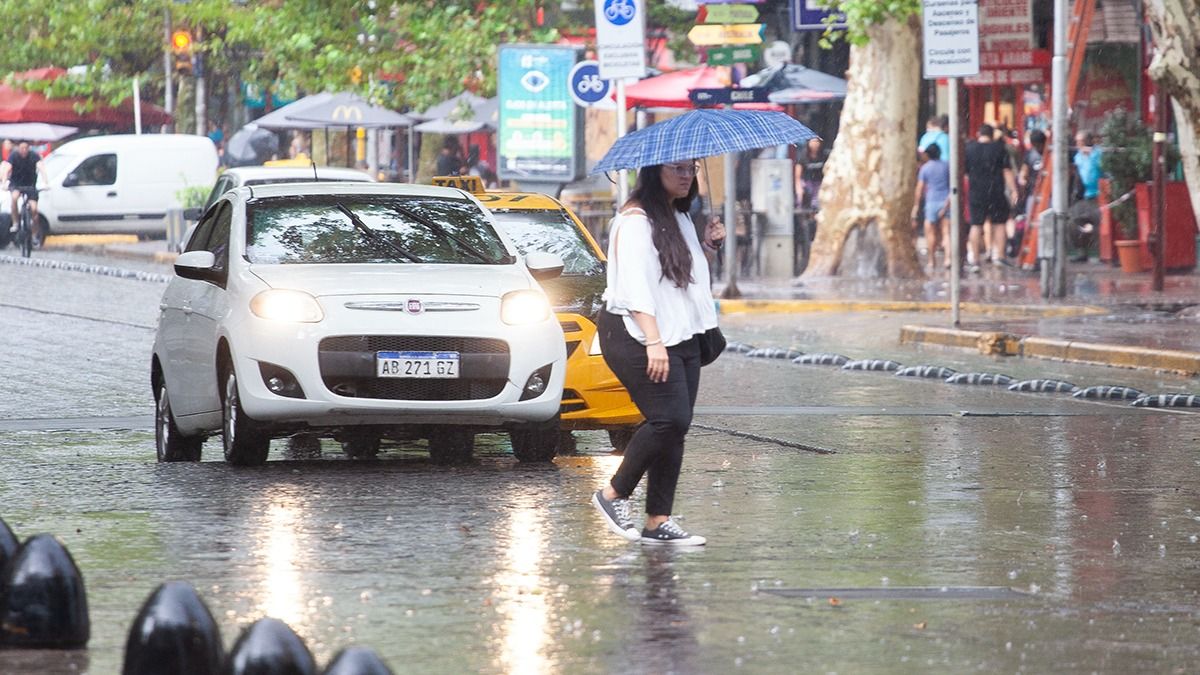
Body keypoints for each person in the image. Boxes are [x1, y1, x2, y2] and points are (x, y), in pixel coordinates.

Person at [591, 159, 725, 547]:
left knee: (677, 427)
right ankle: (613, 494)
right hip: (636, 331)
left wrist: (708, 247)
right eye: (677, 169)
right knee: (668, 418)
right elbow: (634, 289)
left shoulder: (678, 216)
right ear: (653, 171)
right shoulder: (634, 222)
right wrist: (653, 342)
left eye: (691, 169)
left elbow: (684, 278)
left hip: (680, 329)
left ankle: (658, 520)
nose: (686, 176)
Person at [964, 124, 1017, 272]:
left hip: (976, 192)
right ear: (992, 135)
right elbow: (1006, 171)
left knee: (976, 224)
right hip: (996, 191)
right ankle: (999, 257)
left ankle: (975, 260)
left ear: (978, 134)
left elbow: (965, 173)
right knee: (999, 223)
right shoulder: (1000, 148)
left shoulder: (969, 149)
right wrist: (1013, 190)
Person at [912, 143, 951, 272]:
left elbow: (920, 188)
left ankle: (931, 260)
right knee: (946, 233)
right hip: (946, 201)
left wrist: (916, 205)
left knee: (930, 233)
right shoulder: (947, 166)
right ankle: (947, 259)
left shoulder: (925, 169)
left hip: (931, 202)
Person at [1069, 130, 1102, 262]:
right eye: (1077, 142)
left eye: (1081, 142)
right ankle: (1081, 251)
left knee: (1099, 223)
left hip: (1099, 194)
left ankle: (1099, 253)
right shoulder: (1078, 157)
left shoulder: (1098, 153)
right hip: (1084, 195)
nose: (1079, 145)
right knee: (1073, 221)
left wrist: (1090, 155)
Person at [2, 141, 47, 234]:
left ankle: (35, 233)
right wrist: (4, 183)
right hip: (16, 183)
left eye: (26, 148)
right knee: (14, 198)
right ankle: (15, 222)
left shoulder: (34, 155)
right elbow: (7, 169)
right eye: (22, 148)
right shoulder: (14, 156)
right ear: (18, 148)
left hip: (30, 184)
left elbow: (41, 167)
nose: (24, 150)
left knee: (34, 209)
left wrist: (46, 182)